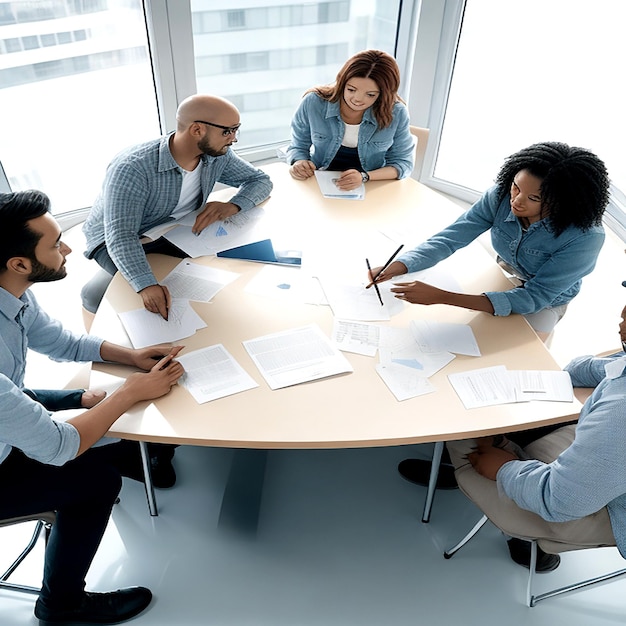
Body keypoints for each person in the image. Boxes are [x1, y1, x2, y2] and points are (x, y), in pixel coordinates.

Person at [369, 141, 610, 488]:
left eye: (533, 199)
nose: (516, 201)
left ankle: (476, 455)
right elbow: (455, 234)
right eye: (515, 187)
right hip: (505, 273)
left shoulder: (585, 236)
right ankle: (449, 430)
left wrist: (444, 297)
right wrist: (403, 264)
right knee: (455, 355)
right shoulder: (502, 194)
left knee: (502, 374)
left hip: (544, 299)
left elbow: (535, 296)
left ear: (563, 202)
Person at [0, 190, 186, 624]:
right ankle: (61, 606)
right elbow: (59, 446)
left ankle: (138, 453)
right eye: (55, 243)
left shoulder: (13, 292)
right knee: (96, 481)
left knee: (101, 423)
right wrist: (130, 392)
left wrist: (129, 357)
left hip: (8, 407)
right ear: (19, 263)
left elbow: (59, 341)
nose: (67, 249)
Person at [445, 300, 626, 571]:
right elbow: (580, 370)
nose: (620, 316)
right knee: (522, 419)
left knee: (462, 432)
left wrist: (504, 468)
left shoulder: (620, 413)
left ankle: (522, 534)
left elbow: (561, 501)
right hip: (602, 476)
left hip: (601, 510)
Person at [82, 94, 273, 319]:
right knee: (162, 298)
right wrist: (145, 285)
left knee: (218, 280)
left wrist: (233, 205)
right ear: (197, 130)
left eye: (236, 129)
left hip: (174, 229)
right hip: (117, 239)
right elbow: (121, 236)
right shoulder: (132, 168)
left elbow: (260, 181)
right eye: (227, 131)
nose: (234, 138)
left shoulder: (217, 155)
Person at [286, 49, 415, 191]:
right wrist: (299, 162)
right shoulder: (314, 102)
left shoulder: (396, 113)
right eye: (351, 90)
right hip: (319, 179)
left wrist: (364, 176)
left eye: (370, 94)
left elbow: (403, 163)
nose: (357, 99)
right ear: (342, 82)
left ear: (383, 94)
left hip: (370, 185)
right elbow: (298, 145)